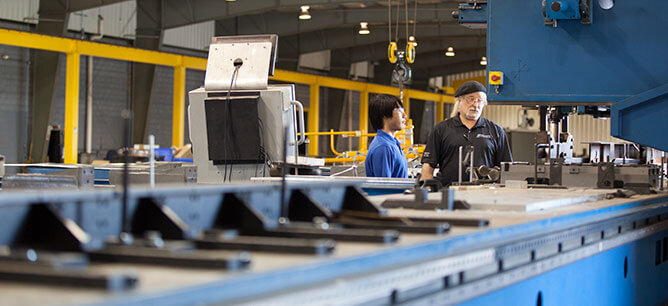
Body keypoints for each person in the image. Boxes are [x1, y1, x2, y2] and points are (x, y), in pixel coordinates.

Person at [421, 81, 512, 186]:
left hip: (484, 194)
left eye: (480, 101)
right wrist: (426, 190)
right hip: (448, 193)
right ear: (459, 101)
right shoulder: (441, 129)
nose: (475, 104)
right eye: (470, 99)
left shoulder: (496, 131)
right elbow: (428, 165)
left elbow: (506, 169)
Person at [365, 94, 408, 178]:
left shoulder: (392, 143)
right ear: (384, 114)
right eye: (400, 111)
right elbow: (384, 188)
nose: (405, 116)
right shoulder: (384, 147)